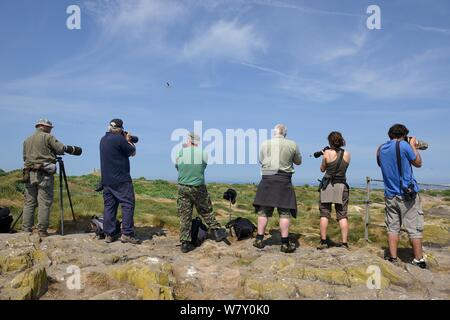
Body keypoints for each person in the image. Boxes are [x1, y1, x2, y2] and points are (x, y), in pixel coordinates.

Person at [377, 124, 426, 269]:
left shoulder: (380, 149)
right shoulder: (404, 146)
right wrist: (413, 146)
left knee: (392, 227)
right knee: (414, 228)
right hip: (407, 194)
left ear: (389, 135)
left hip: (389, 194)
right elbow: (418, 163)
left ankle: (393, 257)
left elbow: (381, 164)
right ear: (404, 135)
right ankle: (418, 260)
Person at [252, 124, 302, 253]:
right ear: (284, 133)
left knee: (263, 210)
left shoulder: (264, 144)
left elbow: (261, 160)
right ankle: (284, 244)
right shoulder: (292, 144)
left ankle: (259, 239)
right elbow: (298, 161)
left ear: (274, 132)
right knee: (285, 212)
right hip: (284, 180)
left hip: (267, 179)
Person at [175, 132, 227, 253]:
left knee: (184, 215)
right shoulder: (203, 153)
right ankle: (216, 231)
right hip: (199, 186)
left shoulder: (181, 152)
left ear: (188, 140)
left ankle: (185, 243)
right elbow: (203, 167)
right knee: (206, 210)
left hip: (183, 186)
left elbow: (177, 167)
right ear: (197, 142)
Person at [22, 119, 66, 237]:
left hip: (28, 173)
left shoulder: (27, 140)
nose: (51, 129)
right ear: (43, 126)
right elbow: (61, 148)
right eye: (49, 127)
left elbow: (25, 157)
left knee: (29, 202)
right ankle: (42, 230)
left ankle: (26, 229)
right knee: (44, 202)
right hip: (44, 173)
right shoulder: (48, 137)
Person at [99, 119, 141, 244]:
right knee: (128, 204)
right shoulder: (119, 139)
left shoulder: (103, 140)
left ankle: (109, 234)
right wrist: (128, 140)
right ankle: (127, 234)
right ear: (120, 129)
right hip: (121, 179)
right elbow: (132, 152)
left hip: (106, 180)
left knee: (109, 207)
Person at [318, 132, 351, 249]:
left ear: (330, 141)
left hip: (328, 185)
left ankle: (323, 241)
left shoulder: (326, 153)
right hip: (341, 185)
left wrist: (324, 155)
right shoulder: (347, 154)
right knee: (342, 215)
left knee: (324, 213)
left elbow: (322, 169)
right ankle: (344, 243)